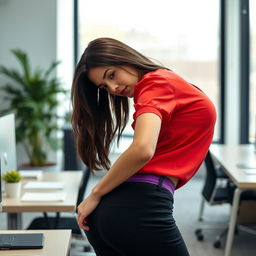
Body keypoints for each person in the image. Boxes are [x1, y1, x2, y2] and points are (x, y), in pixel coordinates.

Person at [71, 37, 216, 256]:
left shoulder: (156, 83)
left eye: (112, 75)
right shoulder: (156, 83)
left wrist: (97, 195)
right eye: (105, 86)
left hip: (120, 212)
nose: (113, 88)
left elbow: (143, 149)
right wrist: (95, 194)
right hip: (139, 208)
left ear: (124, 58)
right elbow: (142, 149)